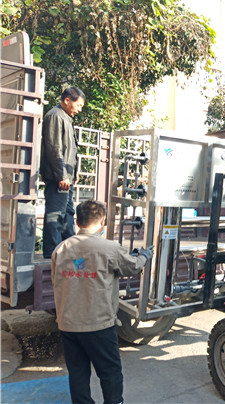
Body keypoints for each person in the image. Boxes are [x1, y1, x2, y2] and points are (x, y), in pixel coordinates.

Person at [51, 200, 154, 404]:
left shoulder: (60, 249)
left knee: (77, 372)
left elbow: (57, 281)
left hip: (68, 324)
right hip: (98, 324)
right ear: (102, 222)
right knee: (109, 371)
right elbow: (132, 267)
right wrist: (144, 256)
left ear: (77, 221)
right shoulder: (109, 248)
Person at [40, 87, 85, 258]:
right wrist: (62, 175)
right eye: (78, 105)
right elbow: (54, 148)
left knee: (68, 214)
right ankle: (51, 254)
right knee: (55, 215)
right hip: (58, 177)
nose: (79, 110)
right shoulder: (55, 116)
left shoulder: (65, 117)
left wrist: (73, 172)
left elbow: (69, 150)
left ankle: (68, 251)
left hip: (66, 176)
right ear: (67, 100)